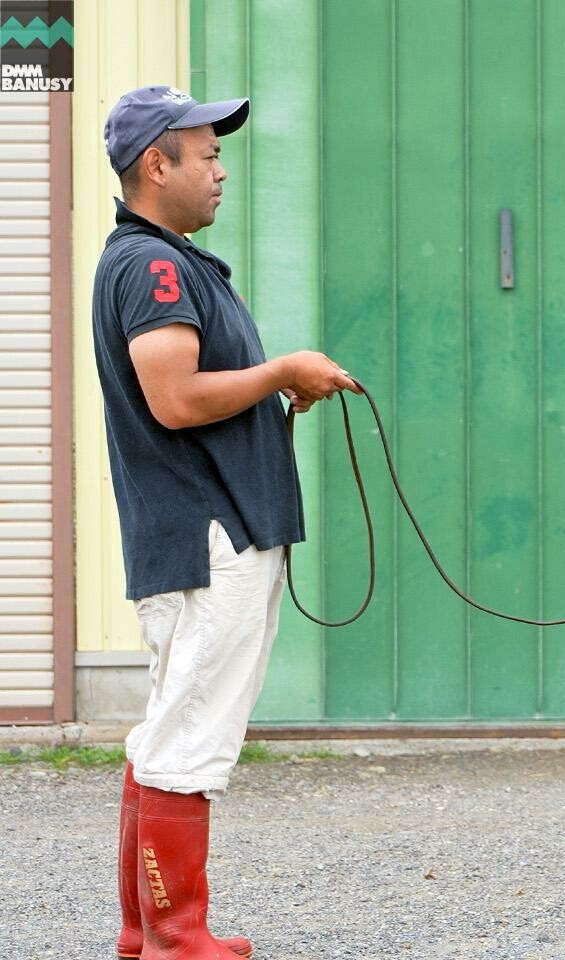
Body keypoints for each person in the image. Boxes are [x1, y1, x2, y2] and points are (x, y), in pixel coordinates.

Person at [92, 85, 356, 960]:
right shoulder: (155, 268)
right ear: (155, 165)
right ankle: (175, 934)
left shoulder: (165, 261)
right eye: (205, 154)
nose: (220, 169)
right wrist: (283, 369)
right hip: (210, 538)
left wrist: (273, 385)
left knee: (169, 725)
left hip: (199, 533)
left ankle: (147, 930)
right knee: (189, 737)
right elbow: (172, 398)